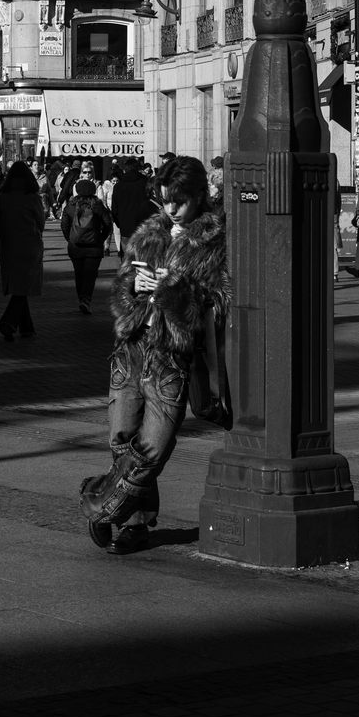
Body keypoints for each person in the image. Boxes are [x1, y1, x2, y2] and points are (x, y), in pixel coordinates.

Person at [81, 155, 228, 555]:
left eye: (178, 201)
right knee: (120, 441)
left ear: (200, 195)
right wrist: (134, 286)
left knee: (150, 449)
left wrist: (175, 290)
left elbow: (222, 305)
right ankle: (135, 524)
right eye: (165, 200)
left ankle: (102, 506)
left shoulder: (217, 240)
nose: (171, 209)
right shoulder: (148, 233)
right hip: (130, 351)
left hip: (171, 357)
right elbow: (118, 294)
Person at [0, 161, 46, 342]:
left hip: (8, 245)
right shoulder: (32, 196)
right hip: (30, 244)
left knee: (19, 284)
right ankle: (8, 322)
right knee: (24, 286)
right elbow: (41, 222)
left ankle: (27, 327)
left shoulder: (2, 196)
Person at [61, 178, 114, 313]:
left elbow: (64, 225)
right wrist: (100, 239)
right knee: (90, 275)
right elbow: (108, 224)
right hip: (94, 247)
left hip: (75, 247)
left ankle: (82, 300)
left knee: (79, 274)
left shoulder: (71, 205)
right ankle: (86, 299)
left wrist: (70, 239)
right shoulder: (98, 205)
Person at [110, 157, 158, 253]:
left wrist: (120, 223)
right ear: (138, 169)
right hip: (144, 226)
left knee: (128, 259)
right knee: (144, 258)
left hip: (126, 227)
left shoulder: (118, 187)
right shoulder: (145, 183)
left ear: (124, 170)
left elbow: (114, 209)